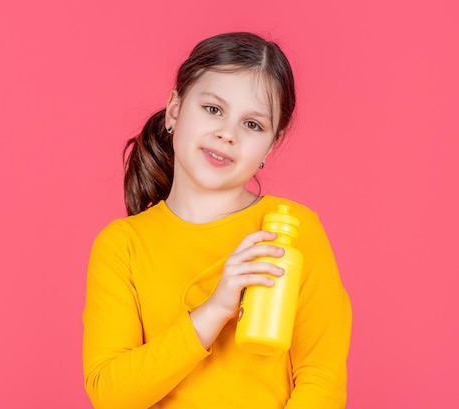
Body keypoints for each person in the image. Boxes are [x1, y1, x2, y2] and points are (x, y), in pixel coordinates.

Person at [82, 32, 352, 409]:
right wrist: (215, 310)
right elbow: (111, 395)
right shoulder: (123, 245)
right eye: (213, 109)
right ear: (175, 110)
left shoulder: (290, 233)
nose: (227, 134)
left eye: (252, 125)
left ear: (271, 145)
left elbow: (321, 381)